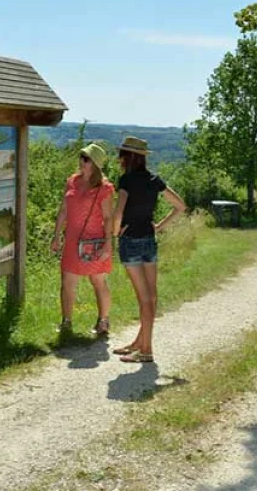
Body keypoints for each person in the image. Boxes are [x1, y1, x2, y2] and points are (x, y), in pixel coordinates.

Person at [112, 136, 186, 363]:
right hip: (149, 240)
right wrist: (160, 226)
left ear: (129, 157)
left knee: (144, 299)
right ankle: (139, 342)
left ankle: (146, 351)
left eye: (122, 154)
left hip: (131, 242)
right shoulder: (154, 179)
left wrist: (115, 233)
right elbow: (180, 206)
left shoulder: (126, 181)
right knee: (151, 298)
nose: (120, 159)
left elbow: (118, 214)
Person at [51, 143, 115, 337]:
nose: (81, 161)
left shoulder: (104, 188)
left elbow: (108, 218)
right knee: (67, 282)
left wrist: (108, 244)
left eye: (86, 159)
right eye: (81, 156)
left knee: (98, 281)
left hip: (94, 242)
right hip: (72, 240)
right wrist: (56, 236)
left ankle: (103, 321)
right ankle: (66, 323)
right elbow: (63, 210)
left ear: (95, 164)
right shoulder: (72, 181)